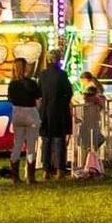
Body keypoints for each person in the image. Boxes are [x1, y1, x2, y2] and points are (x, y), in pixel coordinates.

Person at [36, 50, 75, 180]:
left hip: (45, 112)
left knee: (46, 141)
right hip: (59, 112)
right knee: (59, 141)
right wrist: (63, 102)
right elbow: (69, 92)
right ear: (58, 60)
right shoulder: (62, 75)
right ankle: (60, 170)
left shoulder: (42, 75)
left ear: (48, 59)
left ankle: (46, 169)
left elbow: (39, 93)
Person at [5, 57, 41, 184]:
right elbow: (38, 100)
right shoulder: (31, 83)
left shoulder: (12, 84)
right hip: (30, 112)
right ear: (25, 67)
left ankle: (15, 176)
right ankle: (30, 177)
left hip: (17, 112)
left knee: (17, 145)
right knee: (31, 146)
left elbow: (10, 99)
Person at [76, 73, 108, 177]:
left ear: (85, 79)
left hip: (89, 119)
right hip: (94, 118)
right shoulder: (96, 87)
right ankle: (92, 162)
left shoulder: (90, 89)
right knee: (93, 140)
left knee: (88, 141)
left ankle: (89, 163)